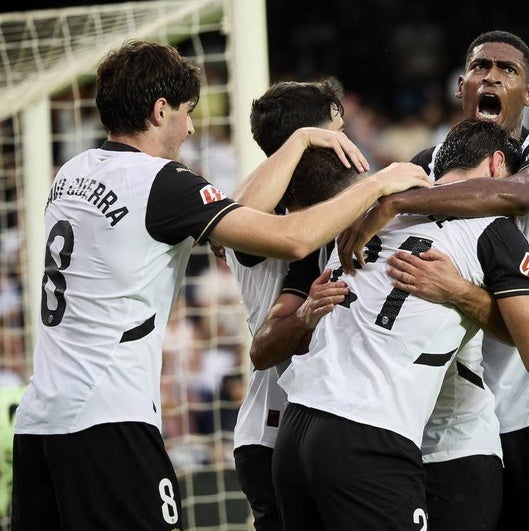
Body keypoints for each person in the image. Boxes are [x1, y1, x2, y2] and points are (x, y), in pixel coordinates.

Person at [9, 40, 429, 531]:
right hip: (108, 420)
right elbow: (291, 238)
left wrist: (294, 142)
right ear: (159, 109)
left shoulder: (71, 173)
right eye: (187, 113)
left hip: (39, 421)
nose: (189, 128)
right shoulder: (163, 183)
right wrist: (379, 185)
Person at [339, 30, 529, 529]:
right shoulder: (427, 164)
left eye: (507, 70)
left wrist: (397, 201)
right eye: (480, 67)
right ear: (462, 86)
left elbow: (516, 196)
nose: (491, 75)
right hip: (467, 413)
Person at [271, 118, 529, 531]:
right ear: (496, 166)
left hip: (296, 428)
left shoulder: (368, 209)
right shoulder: (494, 231)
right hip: (370, 438)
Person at [228, 77, 353, 531]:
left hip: (331, 425)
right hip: (273, 427)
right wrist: (301, 140)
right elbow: (242, 218)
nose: (347, 143)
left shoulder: (333, 201)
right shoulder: (268, 214)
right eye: (338, 131)